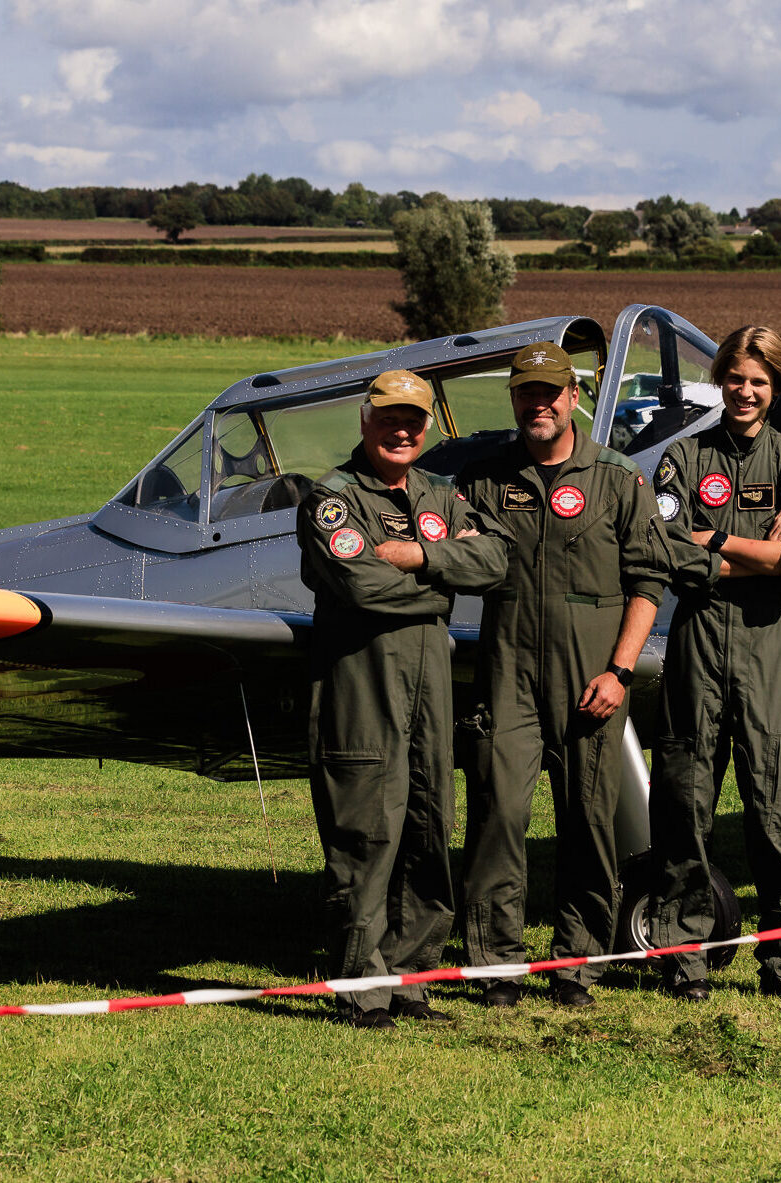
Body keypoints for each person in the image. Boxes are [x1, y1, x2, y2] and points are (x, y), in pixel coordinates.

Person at [456, 341, 670, 1009]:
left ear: (573, 397)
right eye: (527, 392)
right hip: (508, 671)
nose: (538, 403)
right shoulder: (486, 476)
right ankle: (495, 963)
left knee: (588, 821)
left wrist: (620, 670)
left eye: (551, 391)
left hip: (592, 676)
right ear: (514, 399)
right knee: (499, 815)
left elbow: (649, 580)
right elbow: (451, 541)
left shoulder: (614, 476)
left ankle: (576, 965)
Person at [297, 369, 507, 1029]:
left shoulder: (440, 493)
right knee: (366, 830)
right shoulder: (331, 499)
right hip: (362, 688)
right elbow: (363, 589)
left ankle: (412, 980)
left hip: (429, 690)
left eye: (414, 419)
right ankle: (363, 989)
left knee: (427, 824)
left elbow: (498, 560)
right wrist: (447, 571)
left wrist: (418, 557)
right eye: (390, 416)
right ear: (366, 420)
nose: (403, 429)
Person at [647, 326, 781, 1002]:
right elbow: (668, 548)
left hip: (768, 643)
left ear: (776, 385)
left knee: (777, 810)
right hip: (697, 640)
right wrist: (756, 546)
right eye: (735, 378)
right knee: (685, 801)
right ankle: (683, 960)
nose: (745, 391)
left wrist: (716, 537)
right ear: (720, 380)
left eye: (759, 380)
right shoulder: (684, 459)